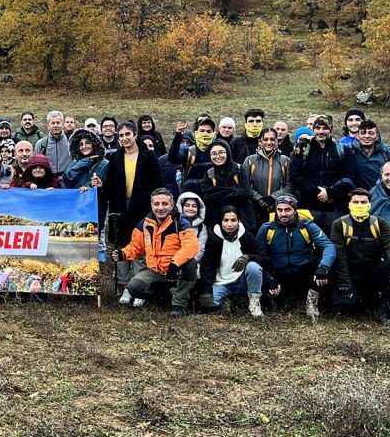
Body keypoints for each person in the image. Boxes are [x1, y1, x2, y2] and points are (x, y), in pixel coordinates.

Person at [111, 188, 199, 317]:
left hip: (176, 270)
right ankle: (165, 295)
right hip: (155, 271)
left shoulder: (181, 222)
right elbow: (136, 246)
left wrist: (174, 265)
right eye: (156, 204)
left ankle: (179, 304)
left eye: (164, 204)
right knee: (134, 287)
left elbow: (191, 246)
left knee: (191, 263)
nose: (160, 208)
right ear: (151, 205)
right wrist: (122, 254)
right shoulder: (144, 224)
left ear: (172, 205)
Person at [330, 187, 390, 326]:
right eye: (356, 202)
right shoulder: (339, 224)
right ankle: (364, 296)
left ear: (370, 204)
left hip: (373, 268)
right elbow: (339, 256)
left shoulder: (380, 223)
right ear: (349, 204)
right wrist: (344, 283)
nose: (360, 205)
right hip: (351, 269)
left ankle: (386, 308)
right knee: (344, 305)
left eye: (363, 202)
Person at [255, 193, 335, 321]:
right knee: (271, 303)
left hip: (303, 272)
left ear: (295, 210)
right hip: (279, 273)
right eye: (279, 210)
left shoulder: (307, 226)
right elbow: (258, 255)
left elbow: (328, 246)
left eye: (288, 210)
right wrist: (268, 279)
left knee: (322, 266)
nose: (283, 214)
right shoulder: (267, 228)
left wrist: (323, 267)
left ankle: (312, 302)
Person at [101, 121, 164, 283]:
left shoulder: (148, 156)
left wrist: (149, 200)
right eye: (121, 135)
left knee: (141, 244)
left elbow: (158, 181)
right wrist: (101, 186)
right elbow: (110, 184)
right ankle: (123, 284)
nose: (124, 138)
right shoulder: (115, 157)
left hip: (142, 206)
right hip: (120, 206)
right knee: (121, 244)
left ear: (135, 135)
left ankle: (138, 283)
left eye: (127, 134)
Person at [290, 114, 355, 233]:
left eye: (325, 128)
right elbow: (295, 176)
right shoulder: (303, 149)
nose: (321, 131)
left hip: (335, 207)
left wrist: (330, 192)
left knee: (334, 241)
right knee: (308, 242)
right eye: (318, 128)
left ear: (331, 129)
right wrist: (317, 191)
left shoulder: (343, 150)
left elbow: (349, 177)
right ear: (313, 129)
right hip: (308, 206)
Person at [197, 207, 266, 316]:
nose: (230, 224)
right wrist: (206, 290)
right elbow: (207, 267)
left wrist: (248, 257)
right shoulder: (214, 239)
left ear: (239, 221)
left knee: (253, 266)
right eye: (226, 220)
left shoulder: (247, 236)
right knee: (208, 304)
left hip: (243, 282)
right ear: (220, 221)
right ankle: (228, 302)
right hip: (222, 283)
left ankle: (254, 302)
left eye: (233, 220)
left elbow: (265, 259)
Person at [201, 140, 253, 231]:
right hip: (217, 220)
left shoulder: (239, 169)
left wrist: (218, 192)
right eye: (213, 153)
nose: (217, 156)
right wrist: (234, 190)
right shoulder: (209, 174)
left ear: (228, 153)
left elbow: (246, 193)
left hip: (242, 218)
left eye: (221, 152)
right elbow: (208, 196)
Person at [243, 128, 290, 226]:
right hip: (255, 209)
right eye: (266, 139)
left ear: (277, 141)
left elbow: (290, 185)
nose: (269, 142)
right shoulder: (250, 160)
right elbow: (244, 184)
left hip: (278, 209)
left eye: (272, 139)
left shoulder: (285, 161)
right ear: (260, 141)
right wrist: (259, 198)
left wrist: (273, 197)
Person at [167, 116, 217, 198]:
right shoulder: (189, 152)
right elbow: (172, 158)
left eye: (209, 131)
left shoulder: (218, 151)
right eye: (202, 131)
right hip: (191, 200)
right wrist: (178, 136)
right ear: (196, 133)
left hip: (212, 198)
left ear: (213, 133)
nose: (205, 133)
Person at [349, 118, 390, 190]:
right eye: (363, 133)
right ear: (357, 136)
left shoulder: (389, 153)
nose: (367, 136)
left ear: (377, 136)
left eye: (371, 133)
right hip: (358, 197)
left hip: (383, 196)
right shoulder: (349, 152)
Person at [34, 111, 71, 175]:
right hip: (48, 181)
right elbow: (36, 163)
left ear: (62, 125)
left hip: (68, 180)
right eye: (53, 123)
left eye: (58, 123)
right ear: (48, 125)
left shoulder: (71, 142)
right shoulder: (41, 144)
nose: (55, 125)